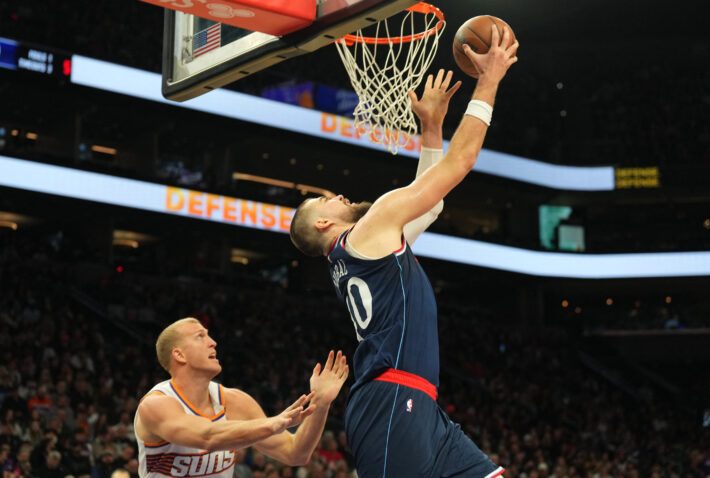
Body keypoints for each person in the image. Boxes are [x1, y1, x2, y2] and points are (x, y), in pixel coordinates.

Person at [289, 26, 518, 477]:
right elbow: (460, 164)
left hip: (416, 403)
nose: (337, 194)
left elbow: (429, 208)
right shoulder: (372, 227)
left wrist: (431, 128)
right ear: (322, 222)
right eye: (326, 199)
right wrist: (488, 81)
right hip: (391, 402)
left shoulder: (362, 247)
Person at [133, 317, 348, 478]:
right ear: (179, 354)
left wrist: (320, 403)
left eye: (209, 335)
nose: (213, 342)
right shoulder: (156, 404)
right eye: (200, 336)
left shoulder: (235, 401)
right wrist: (273, 423)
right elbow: (207, 437)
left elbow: (295, 453)